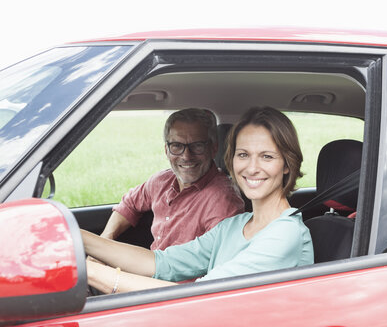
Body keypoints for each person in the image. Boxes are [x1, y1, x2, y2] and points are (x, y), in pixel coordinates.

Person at [82, 107, 314, 293]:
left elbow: (202, 295)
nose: (252, 168)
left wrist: (87, 272)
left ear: (287, 164)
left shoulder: (286, 233)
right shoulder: (234, 226)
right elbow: (161, 263)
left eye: (267, 156)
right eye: (243, 154)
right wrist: (77, 237)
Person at [100, 108, 244, 250]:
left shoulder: (223, 200)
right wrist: (105, 240)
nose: (186, 156)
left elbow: (213, 260)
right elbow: (129, 204)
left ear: (213, 149)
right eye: (176, 146)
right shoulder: (161, 181)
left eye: (197, 146)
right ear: (166, 150)